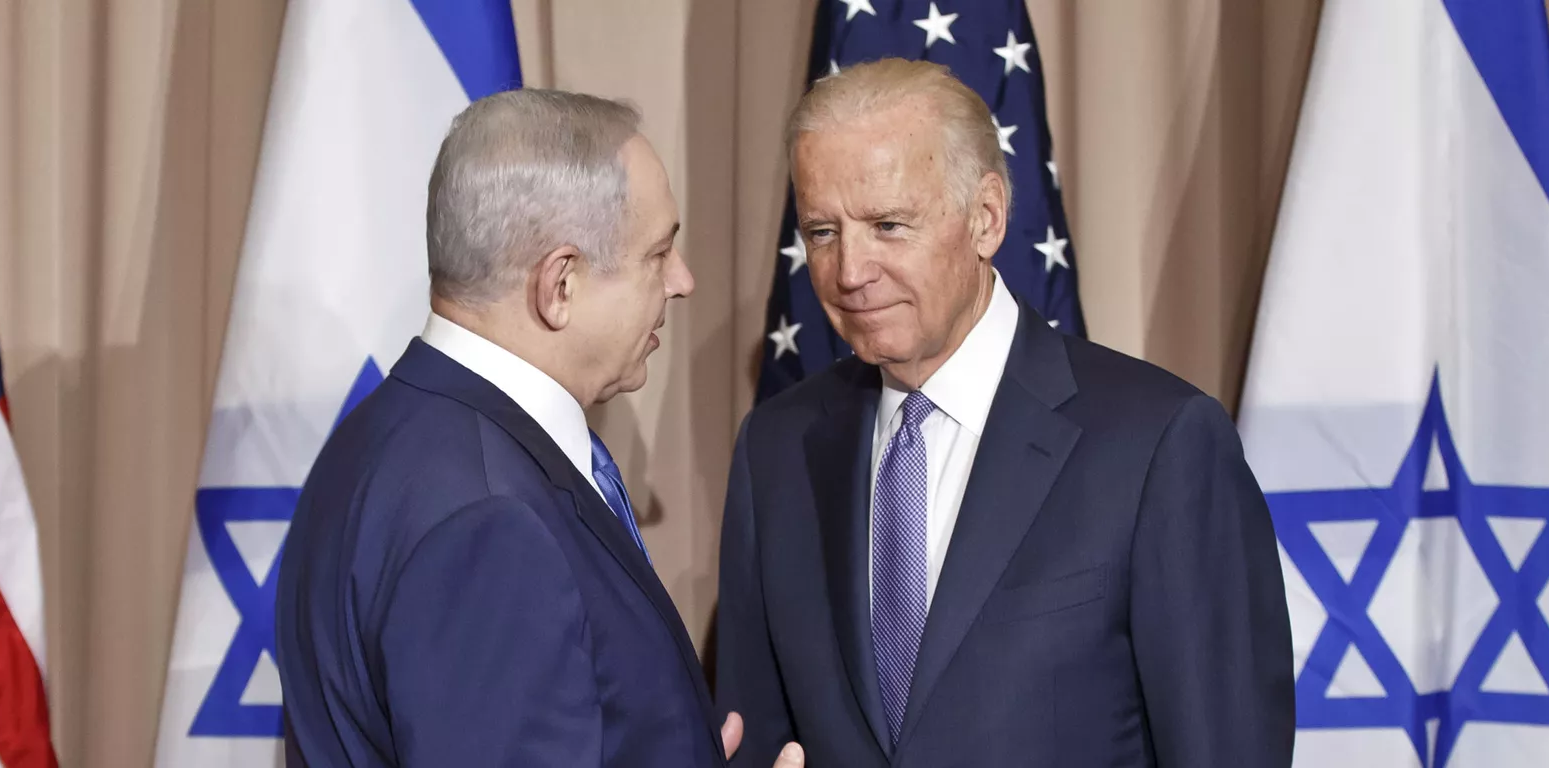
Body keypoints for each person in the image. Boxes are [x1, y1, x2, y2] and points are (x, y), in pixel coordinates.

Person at [716, 59, 1294, 766]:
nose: (850, 272)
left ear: (985, 218)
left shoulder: (1157, 445)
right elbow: (753, 740)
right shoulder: (776, 449)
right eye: (823, 232)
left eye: (888, 225)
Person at [275, 88, 801, 768]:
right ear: (560, 285)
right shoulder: (490, 521)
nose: (683, 280)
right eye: (657, 254)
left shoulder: (380, 434)